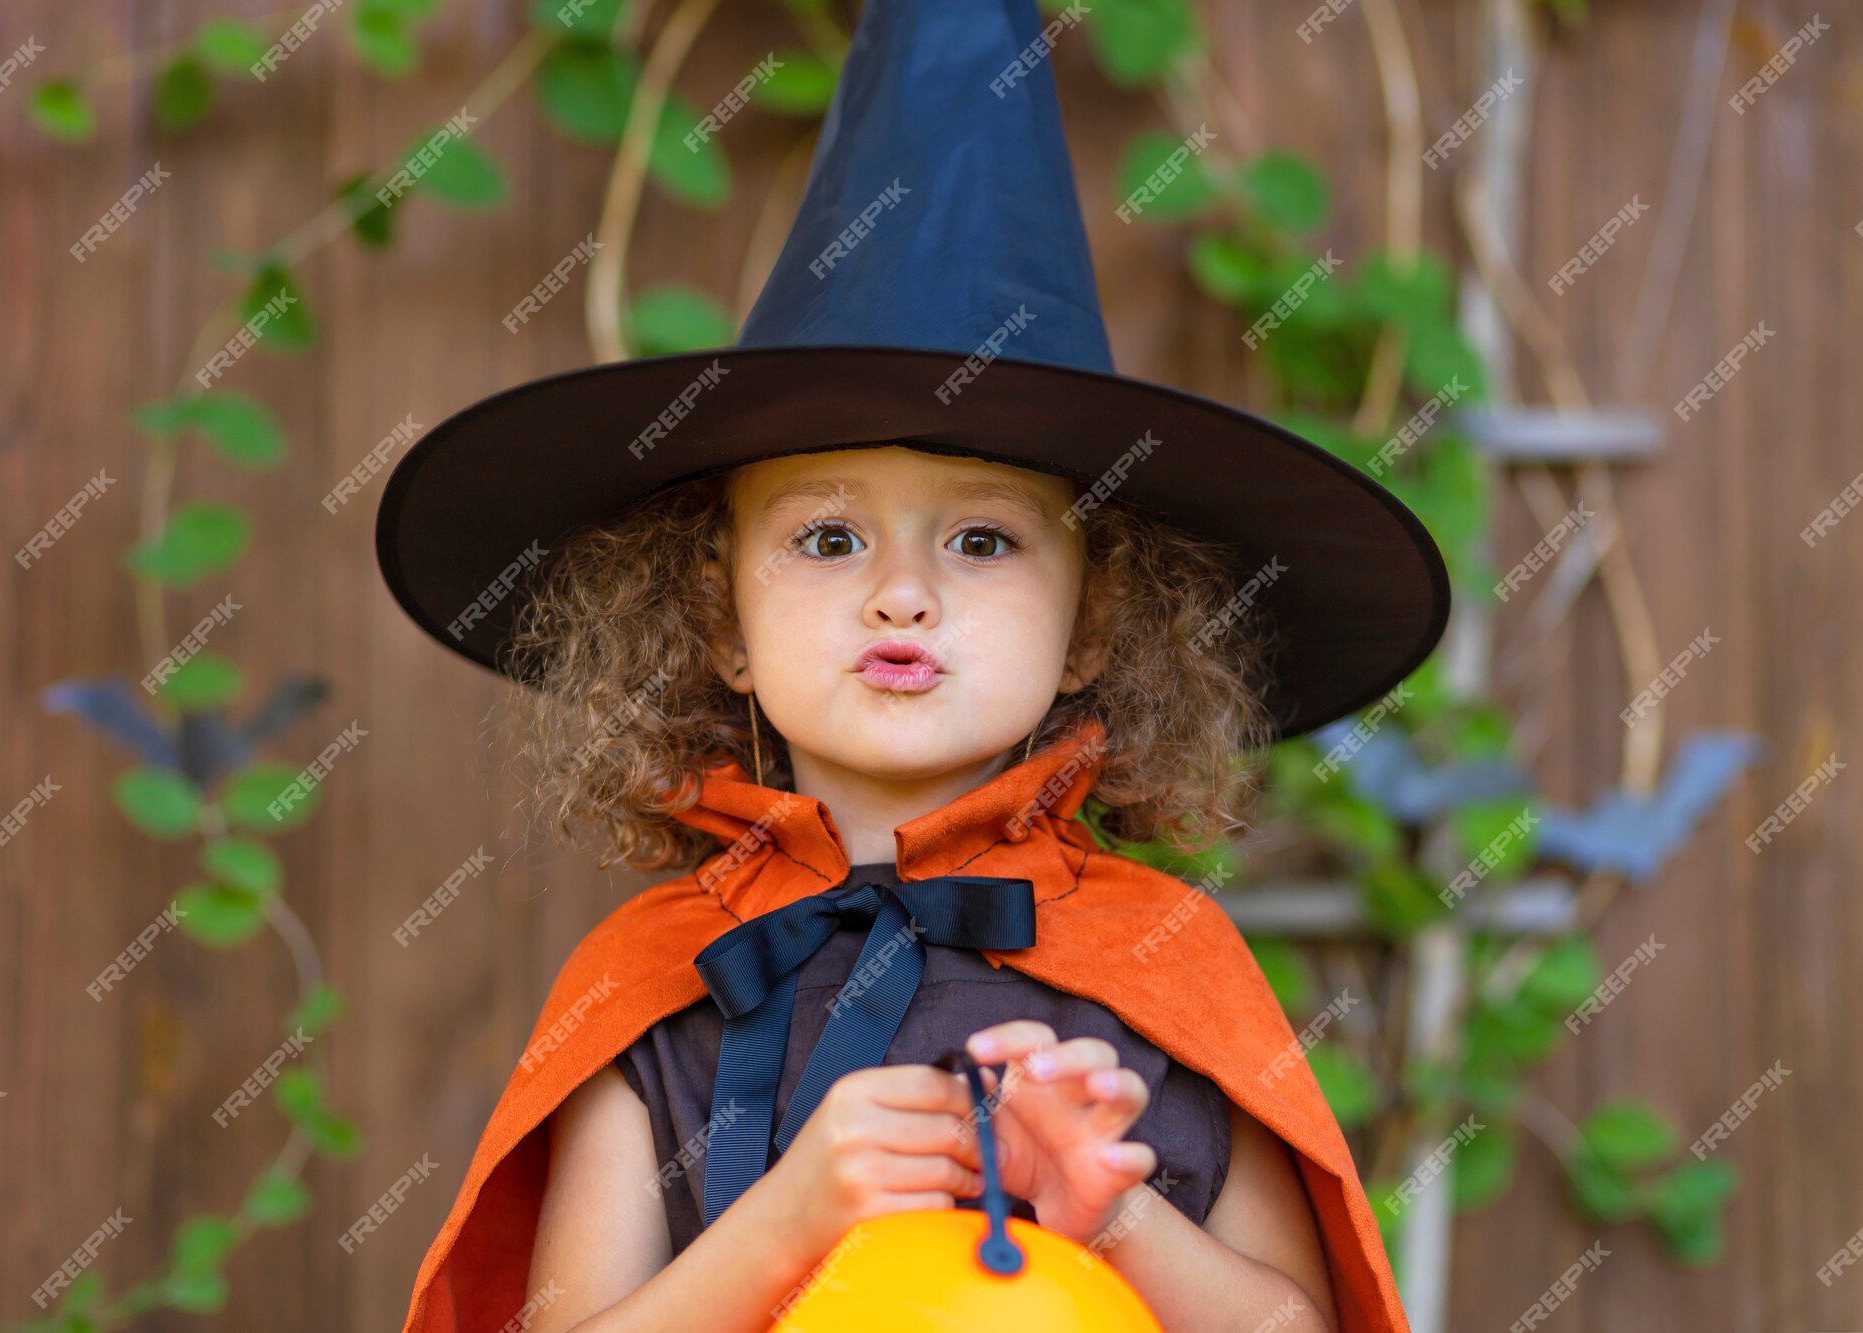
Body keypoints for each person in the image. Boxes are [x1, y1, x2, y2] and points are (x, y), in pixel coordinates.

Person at [374, 1, 1445, 1329]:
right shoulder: (656, 986)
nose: (902, 591)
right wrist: (790, 1215)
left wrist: (1113, 1209)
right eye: (828, 535)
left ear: (1095, 622)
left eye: (984, 538)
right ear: (719, 620)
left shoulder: (1170, 963)